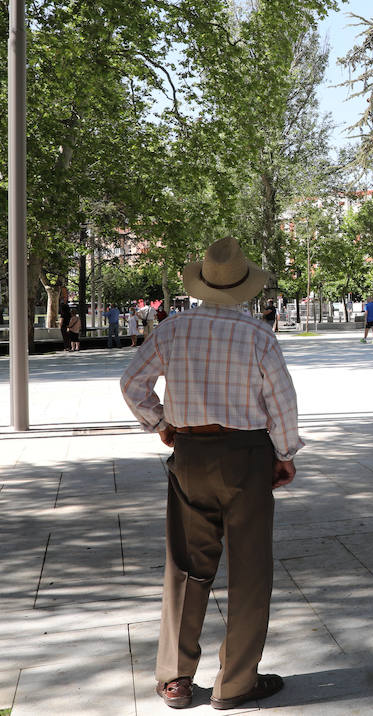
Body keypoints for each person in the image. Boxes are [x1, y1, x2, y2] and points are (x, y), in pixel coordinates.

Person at [120, 236, 301, 711]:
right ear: (244, 287)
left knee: (184, 566)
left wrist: (160, 423)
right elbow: (281, 401)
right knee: (251, 570)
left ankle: (176, 679)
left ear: (201, 284)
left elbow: (131, 382)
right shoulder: (258, 334)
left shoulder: (173, 329)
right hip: (247, 454)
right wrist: (284, 453)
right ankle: (237, 682)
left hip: (191, 451)